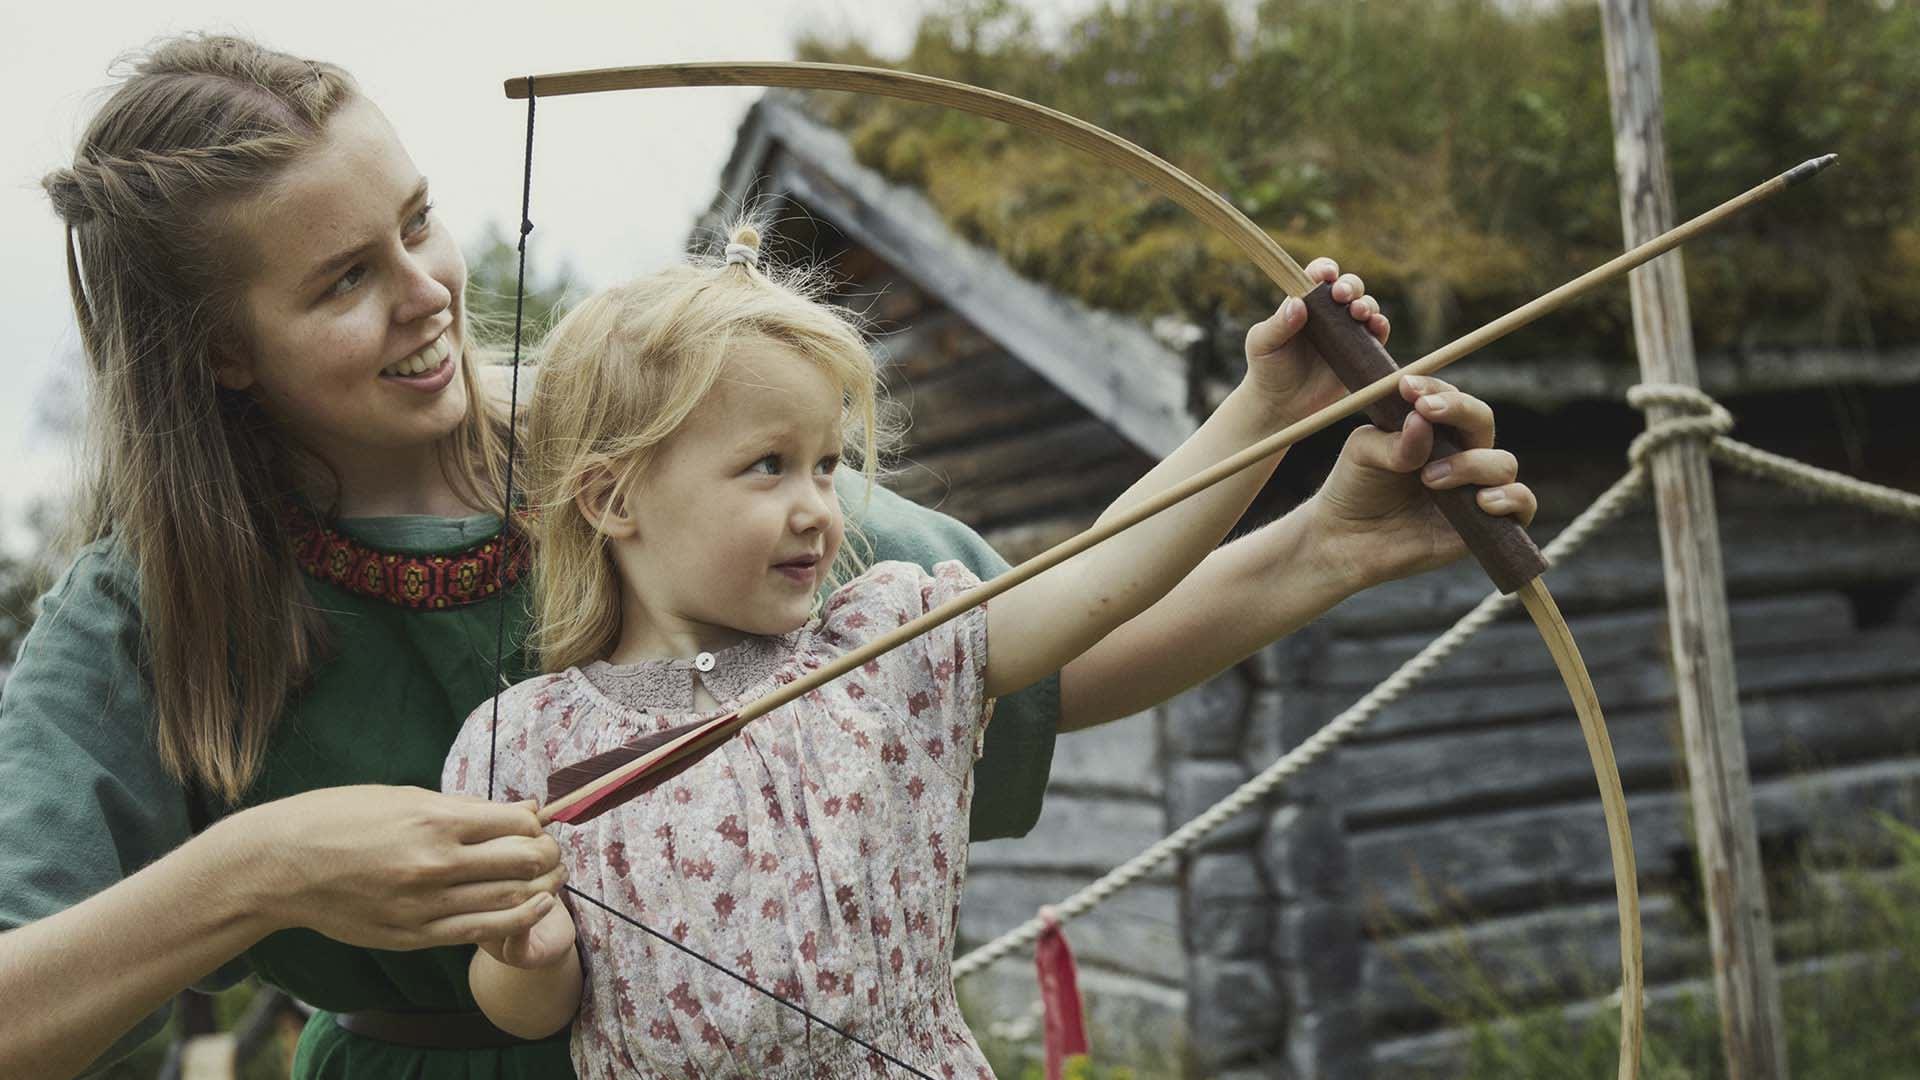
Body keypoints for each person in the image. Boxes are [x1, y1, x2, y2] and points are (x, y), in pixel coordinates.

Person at [0, 32, 1533, 1080]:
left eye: (417, 225)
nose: (426, 294)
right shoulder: (149, 613)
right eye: (345, 279)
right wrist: (257, 871)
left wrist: (1322, 542)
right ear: (216, 354)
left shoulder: (676, 448)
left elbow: (1004, 654)